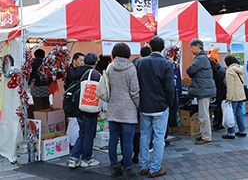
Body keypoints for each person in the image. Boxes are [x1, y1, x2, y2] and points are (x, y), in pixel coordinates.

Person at [137, 36, 175, 178]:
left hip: (144, 105)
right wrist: (169, 104)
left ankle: (144, 166)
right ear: (163, 48)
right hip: (160, 105)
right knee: (159, 137)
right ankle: (155, 168)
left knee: (145, 135)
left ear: (150, 47)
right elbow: (170, 87)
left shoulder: (141, 62)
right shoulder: (166, 64)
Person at [106, 43, 139, 178]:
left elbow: (107, 88)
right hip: (128, 109)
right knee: (127, 140)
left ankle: (114, 165)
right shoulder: (131, 69)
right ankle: (127, 167)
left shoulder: (110, 67)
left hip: (113, 107)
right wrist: (137, 106)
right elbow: (135, 91)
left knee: (113, 138)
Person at [66, 53, 101, 168]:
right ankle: (86, 159)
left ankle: (74, 158)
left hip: (77, 107)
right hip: (89, 107)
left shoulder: (74, 71)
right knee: (89, 134)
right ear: (95, 62)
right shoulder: (94, 73)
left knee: (83, 132)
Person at [186, 38, 216, 145]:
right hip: (204, 90)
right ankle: (204, 134)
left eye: (192, 47)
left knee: (204, 115)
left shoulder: (200, 58)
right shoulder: (203, 57)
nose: (191, 49)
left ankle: (207, 137)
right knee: (204, 114)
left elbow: (190, 70)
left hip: (203, 90)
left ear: (198, 47)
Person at [222, 55, 246, 139]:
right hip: (241, 94)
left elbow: (230, 86)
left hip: (234, 95)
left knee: (231, 114)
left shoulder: (230, 71)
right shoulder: (240, 68)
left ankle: (231, 132)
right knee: (239, 113)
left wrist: (229, 98)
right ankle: (242, 130)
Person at [209, 60, 226, 131]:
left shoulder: (219, 74)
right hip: (220, 92)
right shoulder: (218, 71)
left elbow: (221, 86)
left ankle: (221, 123)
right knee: (217, 107)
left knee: (219, 108)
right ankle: (218, 122)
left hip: (221, 93)